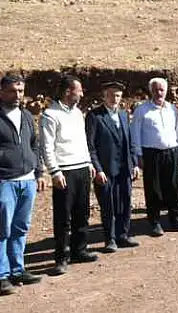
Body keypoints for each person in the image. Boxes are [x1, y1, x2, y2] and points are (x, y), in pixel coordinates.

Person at [40, 75, 98, 276]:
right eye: (78, 90)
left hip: (81, 168)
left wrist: (89, 162)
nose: (82, 94)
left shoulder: (78, 113)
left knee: (82, 212)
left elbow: (83, 141)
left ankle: (79, 250)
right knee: (63, 216)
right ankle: (61, 257)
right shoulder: (50, 115)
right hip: (64, 171)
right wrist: (54, 171)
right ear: (67, 92)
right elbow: (46, 147)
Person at [131, 77, 178, 237]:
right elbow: (135, 133)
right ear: (151, 91)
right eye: (156, 90)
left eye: (162, 90)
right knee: (154, 189)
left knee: (176, 187)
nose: (159, 93)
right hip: (151, 154)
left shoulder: (172, 109)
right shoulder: (142, 110)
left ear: (166, 91)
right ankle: (155, 222)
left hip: (172, 152)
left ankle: (175, 218)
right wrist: (138, 154)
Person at [0, 74, 44, 294]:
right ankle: (1, 275)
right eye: (12, 91)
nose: (17, 95)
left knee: (20, 227)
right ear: (1, 92)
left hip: (27, 180)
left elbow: (34, 144)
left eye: (20, 91)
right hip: (4, 181)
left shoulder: (26, 115)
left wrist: (39, 172)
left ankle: (17, 269)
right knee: (2, 229)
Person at [85, 81, 139, 253]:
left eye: (118, 95)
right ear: (104, 96)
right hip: (106, 169)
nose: (114, 99)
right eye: (111, 95)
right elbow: (90, 146)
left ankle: (123, 235)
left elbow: (130, 141)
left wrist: (134, 163)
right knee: (108, 205)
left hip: (124, 168)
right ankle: (110, 239)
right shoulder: (95, 116)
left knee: (125, 202)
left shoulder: (123, 114)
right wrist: (98, 169)